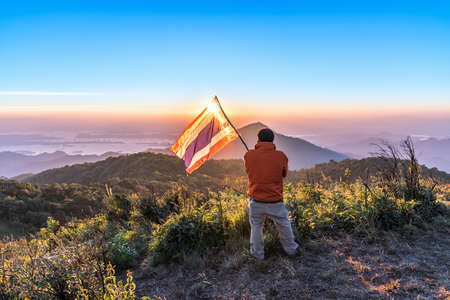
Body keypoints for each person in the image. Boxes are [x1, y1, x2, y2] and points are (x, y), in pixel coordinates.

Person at [244, 128, 299, 259]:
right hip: (275, 200)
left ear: (258, 139)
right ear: (273, 140)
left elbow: (249, 171)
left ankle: (258, 255)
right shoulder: (281, 156)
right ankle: (291, 250)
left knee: (256, 227)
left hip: (256, 200)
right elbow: (283, 174)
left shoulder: (249, 155)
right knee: (284, 224)